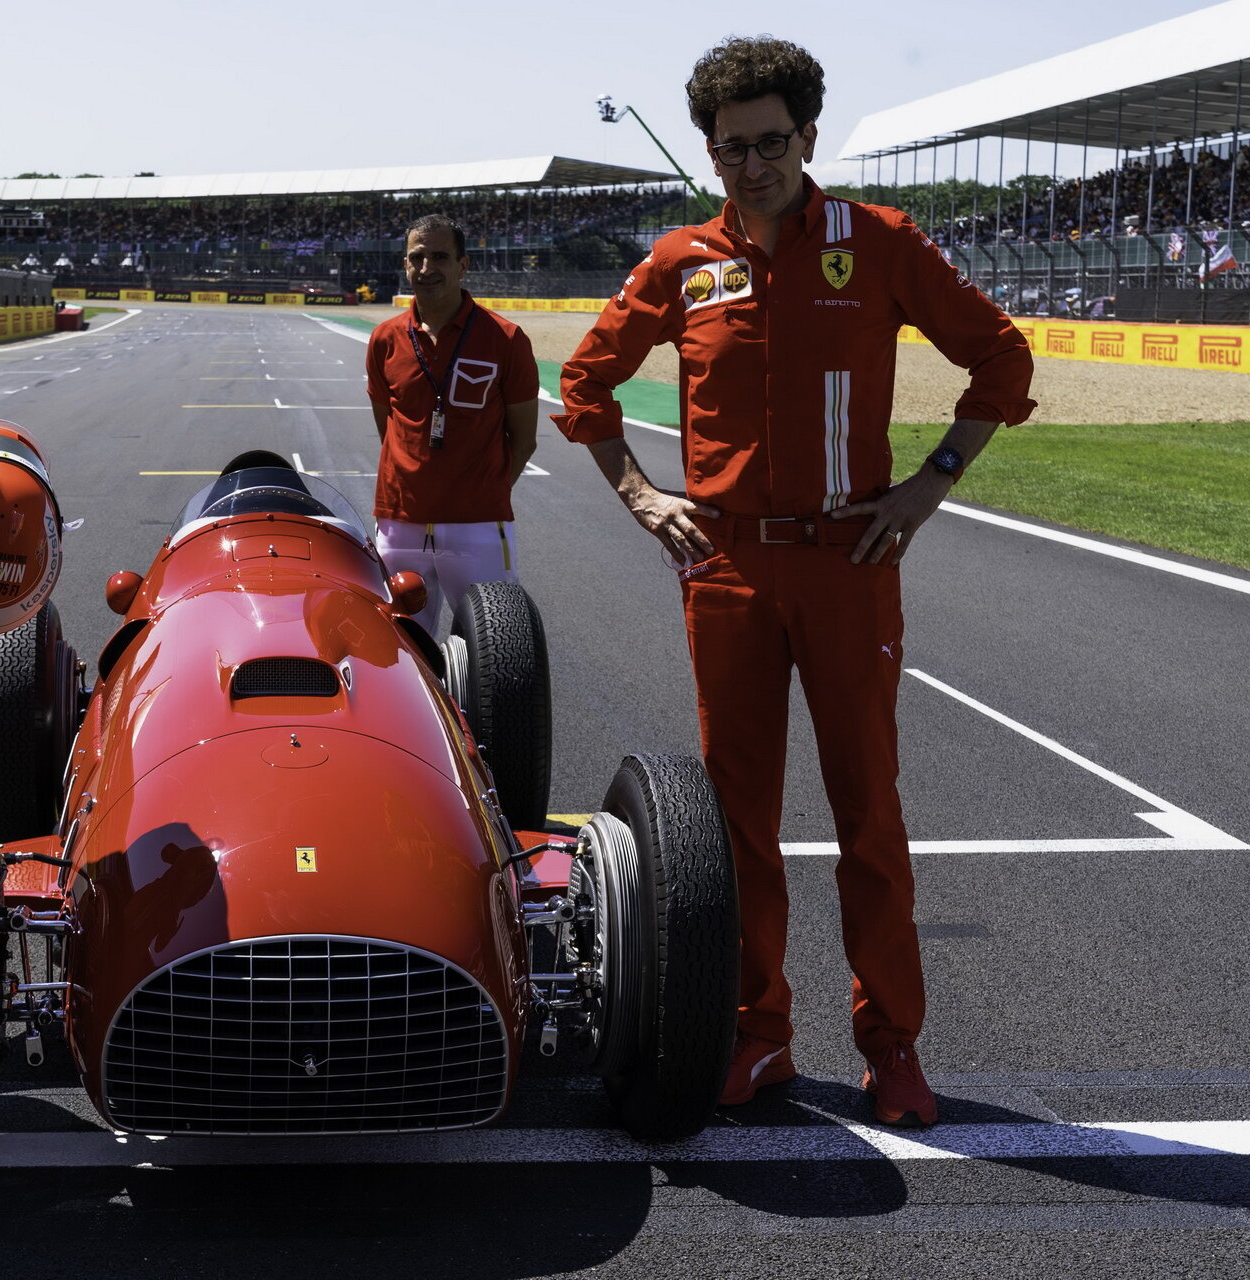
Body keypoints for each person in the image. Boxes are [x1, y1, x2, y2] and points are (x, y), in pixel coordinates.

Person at [555, 37, 1034, 1128]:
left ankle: (891, 1041)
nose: (753, 165)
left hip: (850, 562)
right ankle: (756, 1028)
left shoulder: (877, 244)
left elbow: (1000, 360)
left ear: (809, 136)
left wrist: (930, 482)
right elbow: (584, 388)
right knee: (735, 818)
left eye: (771, 143)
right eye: (731, 150)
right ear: (710, 154)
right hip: (724, 565)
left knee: (869, 809)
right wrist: (639, 493)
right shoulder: (681, 261)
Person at [365, 214, 539, 634]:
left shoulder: (506, 338)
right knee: (401, 650)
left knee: (496, 648)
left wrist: (485, 489)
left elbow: (525, 441)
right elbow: (387, 428)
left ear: (464, 265)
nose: (426, 269)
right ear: (406, 266)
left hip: (478, 524)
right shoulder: (385, 338)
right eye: (416, 258)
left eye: (439, 257)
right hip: (399, 523)